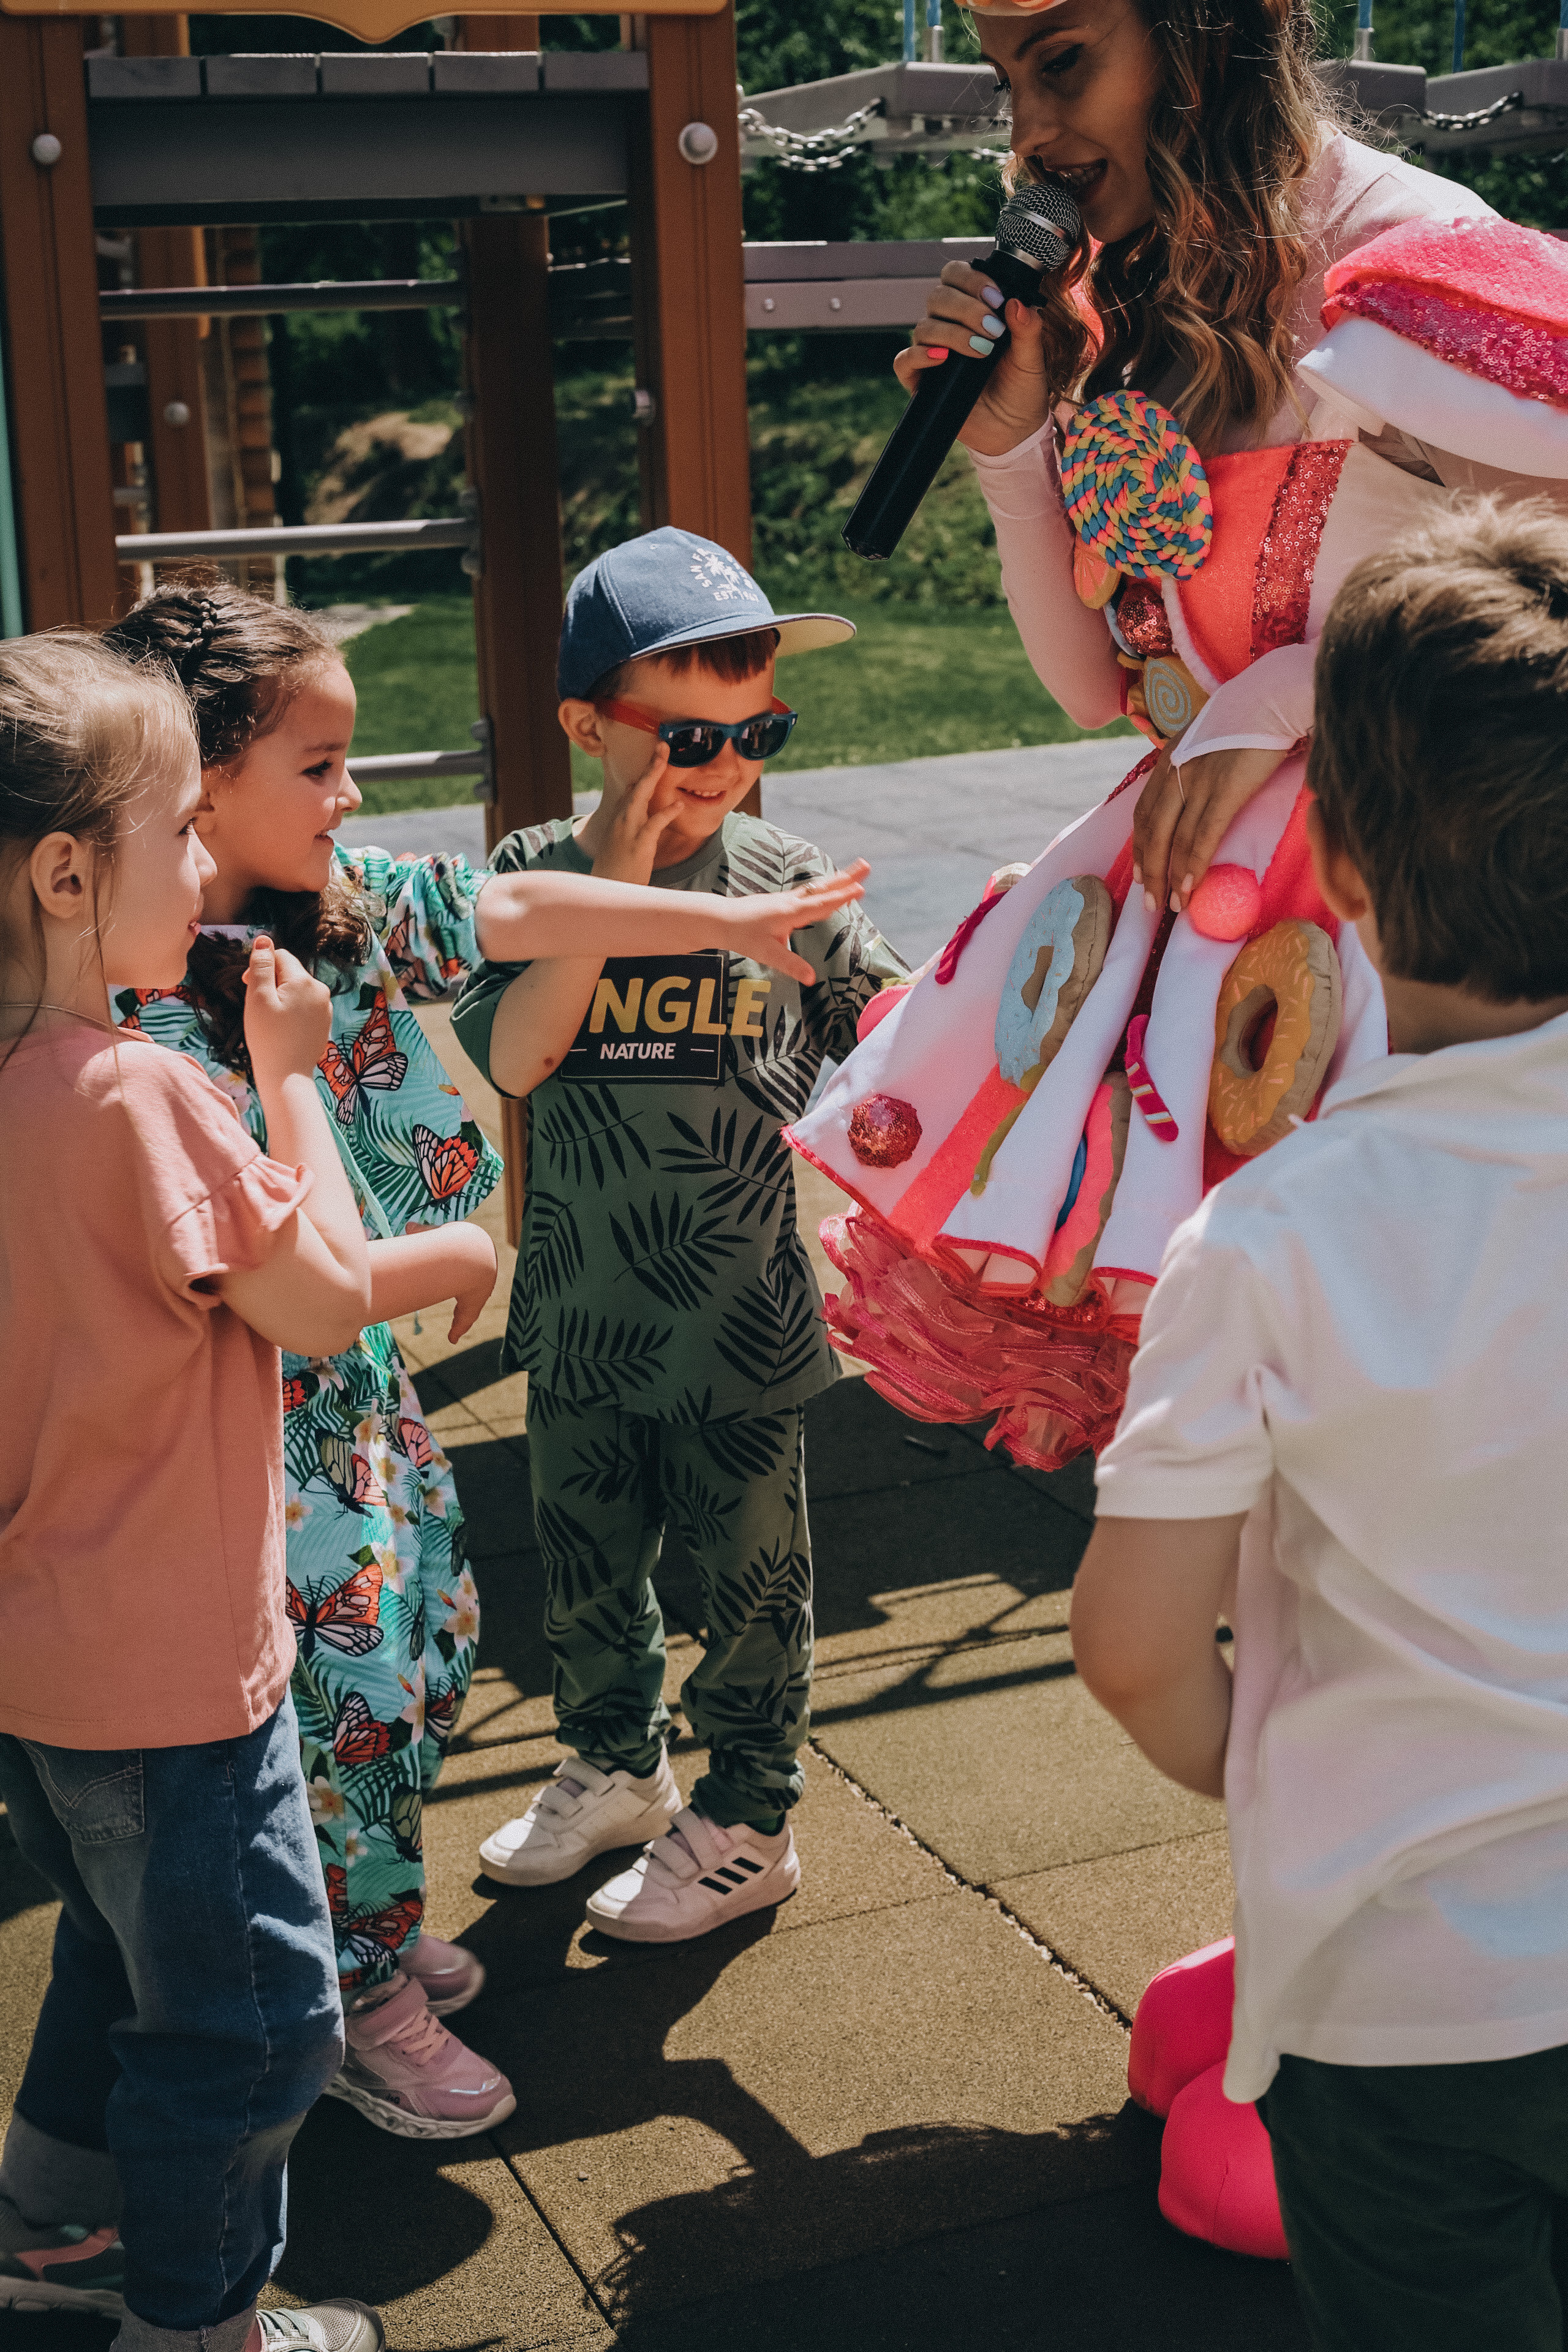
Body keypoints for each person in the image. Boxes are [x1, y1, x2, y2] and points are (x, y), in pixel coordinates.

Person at [104, 580, 868, 2117]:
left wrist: (720, 915)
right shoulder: (162, 1000)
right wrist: (448, 1248)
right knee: (339, 1702)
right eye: (318, 767)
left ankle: (358, 1931)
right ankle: (352, 1994)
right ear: (196, 782)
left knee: (426, 1638)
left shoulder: (330, 905)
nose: (353, 791)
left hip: (380, 1404)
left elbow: (513, 915)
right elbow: (301, 1288)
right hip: (270, 1416)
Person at [790, 0, 1568, 1475]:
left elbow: (1545, 602)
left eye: (1062, 58)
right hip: (1195, 935)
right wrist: (1010, 446)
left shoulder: (1411, 262)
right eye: (1008, 74)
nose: (1027, 127)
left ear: (1198, 37)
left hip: (1421, 914)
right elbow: (1095, 691)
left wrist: (1270, 707)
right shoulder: (1124, 304)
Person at [1072, 500, 1568, 2345]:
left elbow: (1132, 1646)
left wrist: (1262, 1763)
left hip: (1404, 1993)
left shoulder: (1271, 1237)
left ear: (1335, 864)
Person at [0, 631, 382, 2352]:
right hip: (176, 1690)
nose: (205, 863)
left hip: (45, 1679)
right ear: (69, 871)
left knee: (111, 1958)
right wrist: (288, 1077)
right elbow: (329, 1296)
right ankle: (198, 2326)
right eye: (176, 828)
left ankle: (49, 2224)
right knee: (252, 2027)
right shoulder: (145, 1094)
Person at [456, 528, 905, 1940]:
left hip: (742, 1319)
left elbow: (899, 1057)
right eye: (689, 732)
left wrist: (926, 990)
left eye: (756, 727)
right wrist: (628, 880)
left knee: (755, 1582)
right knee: (585, 1565)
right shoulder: (535, 875)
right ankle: (615, 1764)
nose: (724, 761)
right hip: (584, 1308)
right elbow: (520, 1059)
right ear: (588, 724)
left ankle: (751, 1817)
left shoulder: (791, 877)